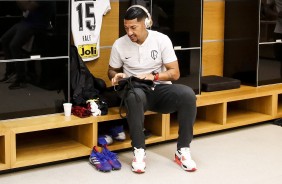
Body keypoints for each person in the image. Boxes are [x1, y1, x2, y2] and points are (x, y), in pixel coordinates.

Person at [108, 5, 197, 173]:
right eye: (126, 28)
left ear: (146, 23)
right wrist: (116, 75)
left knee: (188, 95)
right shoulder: (119, 44)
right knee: (134, 96)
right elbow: (111, 69)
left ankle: (182, 150)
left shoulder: (162, 40)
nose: (129, 32)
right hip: (136, 90)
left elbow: (175, 73)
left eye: (133, 27)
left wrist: (153, 76)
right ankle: (139, 151)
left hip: (159, 89)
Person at [0, 0, 55, 89]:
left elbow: (28, 7)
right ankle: (11, 71)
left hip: (36, 25)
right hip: (25, 23)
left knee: (14, 45)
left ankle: (21, 78)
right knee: (4, 40)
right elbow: (24, 7)